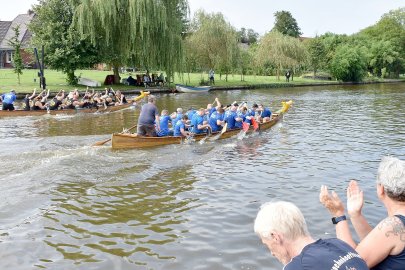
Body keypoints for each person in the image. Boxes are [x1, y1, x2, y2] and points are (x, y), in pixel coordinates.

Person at [320, 156, 405, 269]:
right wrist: (356, 215)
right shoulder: (394, 227)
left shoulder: (393, 226)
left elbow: (350, 263)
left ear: (381, 189)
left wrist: (338, 215)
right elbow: (378, 244)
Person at [254, 201, 369, 270]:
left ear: (275, 237)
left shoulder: (298, 267)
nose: (272, 253)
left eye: (268, 245)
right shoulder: (339, 244)